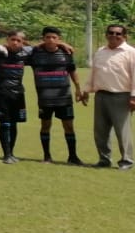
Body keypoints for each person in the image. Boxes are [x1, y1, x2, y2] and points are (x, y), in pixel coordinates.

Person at [82, 22, 135, 169]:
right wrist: (86, 90)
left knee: (122, 131)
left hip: (121, 96)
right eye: (111, 33)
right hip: (101, 95)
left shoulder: (131, 52)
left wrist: (133, 97)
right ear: (106, 35)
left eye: (118, 34)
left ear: (125, 36)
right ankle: (104, 160)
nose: (114, 36)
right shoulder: (100, 51)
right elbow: (94, 72)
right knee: (100, 131)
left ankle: (126, 161)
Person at [28, 26, 85, 165]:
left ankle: (73, 157)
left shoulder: (66, 53)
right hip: (45, 98)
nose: (51, 40)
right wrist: (41, 45)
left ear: (59, 39)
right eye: (47, 37)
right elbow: (22, 46)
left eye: (54, 38)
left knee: (69, 126)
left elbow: (72, 71)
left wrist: (78, 89)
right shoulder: (35, 53)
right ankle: (47, 157)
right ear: (43, 39)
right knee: (45, 126)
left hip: (64, 97)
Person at [0, 29, 32, 163]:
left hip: (18, 94)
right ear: (7, 40)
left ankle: (11, 153)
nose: (15, 43)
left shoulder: (25, 54)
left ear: (23, 42)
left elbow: (42, 47)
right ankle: (6, 154)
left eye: (18, 40)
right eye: (12, 40)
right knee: (5, 124)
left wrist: (62, 44)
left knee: (14, 124)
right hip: (1, 94)